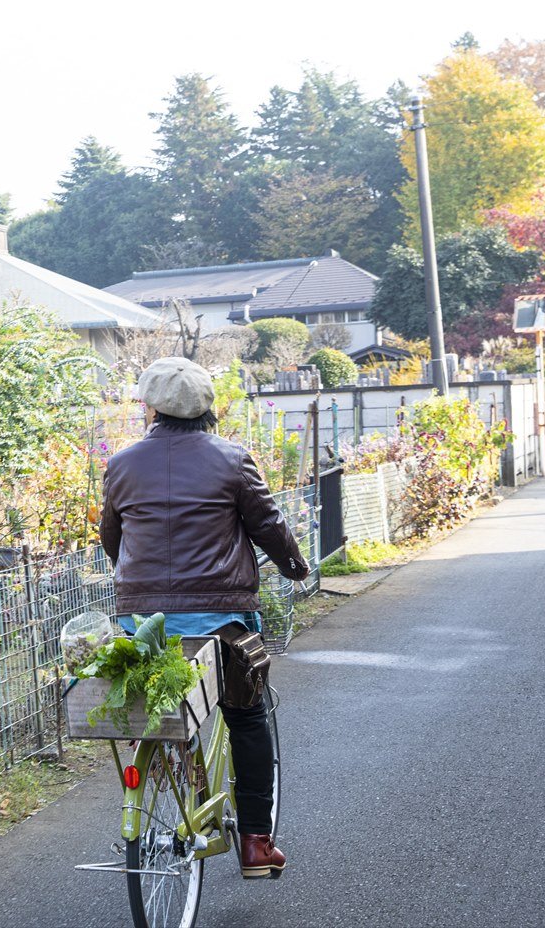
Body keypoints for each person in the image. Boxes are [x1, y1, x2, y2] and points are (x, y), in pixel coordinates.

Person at [98, 356, 310, 880]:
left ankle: (174, 784)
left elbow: (112, 536)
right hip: (222, 621)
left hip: (143, 623)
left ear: (149, 407)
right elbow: (268, 524)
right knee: (246, 714)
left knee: (169, 709)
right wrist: (295, 565)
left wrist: (140, 586)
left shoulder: (122, 464)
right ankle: (257, 844)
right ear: (208, 409)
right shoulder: (231, 459)